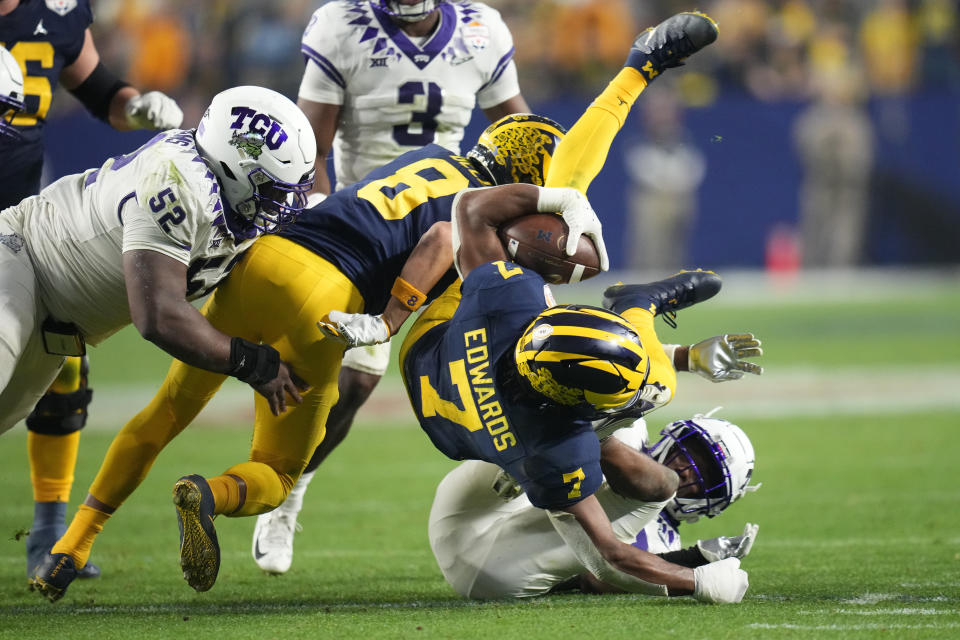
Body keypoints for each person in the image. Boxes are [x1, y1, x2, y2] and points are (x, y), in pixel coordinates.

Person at [29, 112, 609, 601]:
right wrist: (389, 318)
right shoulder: (478, 206)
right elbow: (437, 241)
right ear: (528, 175)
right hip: (325, 299)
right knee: (280, 472)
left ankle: (71, 545)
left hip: (264, 261)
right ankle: (207, 493)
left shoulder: (431, 156)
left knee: (166, 411)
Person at [251, 0, 532, 573]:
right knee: (348, 386)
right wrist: (329, 226)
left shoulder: (482, 29)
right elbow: (314, 150)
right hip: (368, 228)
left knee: (517, 343)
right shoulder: (341, 25)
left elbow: (520, 130)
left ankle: (536, 483)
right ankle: (285, 491)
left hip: (451, 227)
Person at [1, 83, 314, 575]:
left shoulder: (228, 197)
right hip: (22, 260)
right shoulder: (177, 182)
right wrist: (250, 362)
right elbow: (158, 316)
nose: (282, 205)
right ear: (233, 166)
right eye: (271, 189)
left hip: (62, 322)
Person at [1, 0, 184, 580]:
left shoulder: (54, 11)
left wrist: (137, 104)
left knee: (64, 362)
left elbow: (102, 90)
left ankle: (50, 534)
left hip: (22, 225)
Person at [428, 411, 760, 599]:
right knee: (596, 407)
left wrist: (691, 560)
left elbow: (599, 577)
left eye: (706, 473)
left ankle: (560, 445)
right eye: (693, 452)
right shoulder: (634, 428)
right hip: (473, 508)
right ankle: (542, 451)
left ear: (712, 501)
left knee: (653, 473)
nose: (688, 468)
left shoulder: (663, 540)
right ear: (675, 435)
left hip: (499, 570)